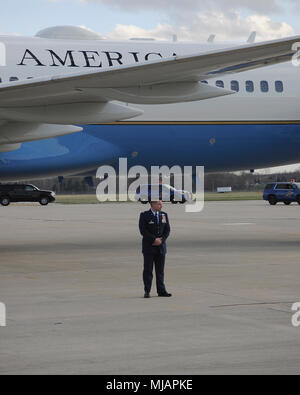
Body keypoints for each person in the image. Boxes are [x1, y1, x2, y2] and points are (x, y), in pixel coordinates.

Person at [139, 200, 171, 298]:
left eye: (161, 204)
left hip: (161, 247)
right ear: (152, 204)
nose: (161, 205)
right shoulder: (144, 215)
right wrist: (153, 239)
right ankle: (147, 291)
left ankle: (161, 290)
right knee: (148, 270)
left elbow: (167, 229)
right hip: (149, 248)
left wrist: (162, 239)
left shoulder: (164, 215)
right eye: (159, 203)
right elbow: (143, 230)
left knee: (160, 271)